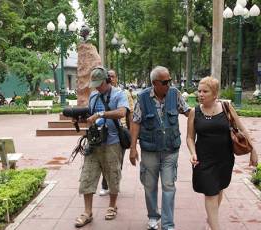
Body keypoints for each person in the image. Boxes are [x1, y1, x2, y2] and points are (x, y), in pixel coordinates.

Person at [186, 76, 258, 230]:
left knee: (218, 189)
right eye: (199, 91)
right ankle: (215, 226)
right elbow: (190, 137)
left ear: (215, 93)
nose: (201, 94)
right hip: (203, 159)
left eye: (205, 91)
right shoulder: (194, 112)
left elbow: (243, 129)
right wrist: (192, 152)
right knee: (210, 192)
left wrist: (253, 151)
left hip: (224, 158)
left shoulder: (226, 107)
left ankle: (211, 220)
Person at [129, 66, 190, 230]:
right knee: (150, 186)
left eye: (170, 80)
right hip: (150, 150)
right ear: (155, 83)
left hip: (171, 149)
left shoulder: (175, 94)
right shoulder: (142, 98)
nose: (169, 84)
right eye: (165, 82)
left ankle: (168, 224)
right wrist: (132, 147)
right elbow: (135, 121)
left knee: (169, 185)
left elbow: (188, 112)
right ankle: (153, 217)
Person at [74, 66, 129, 227]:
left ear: (108, 80)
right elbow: (90, 114)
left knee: (113, 176)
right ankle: (87, 212)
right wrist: (80, 119)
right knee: (87, 176)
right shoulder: (93, 96)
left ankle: (112, 206)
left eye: (100, 83)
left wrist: (101, 114)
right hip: (94, 143)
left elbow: (121, 112)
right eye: (95, 84)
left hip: (112, 143)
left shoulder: (118, 94)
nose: (98, 87)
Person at [98, 69, 135, 196]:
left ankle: (114, 184)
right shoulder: (100, 94)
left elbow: (130, 114)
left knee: (118, 161)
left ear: (117, 78)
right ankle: (105, 184)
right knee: (103, 160)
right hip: (104, 130)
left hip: (121, 131)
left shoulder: (124, 93)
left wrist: (131, 134)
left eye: (113, 76)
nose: (111, 78)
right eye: (109, 76)